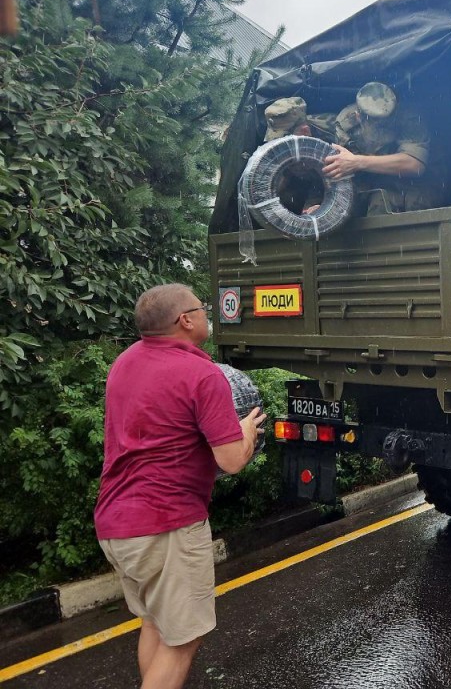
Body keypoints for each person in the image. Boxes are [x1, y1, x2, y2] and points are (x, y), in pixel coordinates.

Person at [94, 283, 265, 689]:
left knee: (155, 625)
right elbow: (231, 460)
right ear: (184, 320)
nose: (207, 313)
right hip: (166, 525)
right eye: (201, 308)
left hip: (116, 522)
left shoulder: (125, 362)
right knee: (184, 640)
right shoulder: (201, 374)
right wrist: (246, 431)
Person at [321, 81, 439, 214]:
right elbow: (338, 169)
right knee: (372, 207)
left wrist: (357, 162)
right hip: (373, 180)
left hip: (419, 181)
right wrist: (325, 206)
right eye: (375, 121)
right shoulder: (347, 124)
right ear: (359, 116)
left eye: (384, 121)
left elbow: (414, 165)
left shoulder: (409, 117)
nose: (380, 124)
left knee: (414, 207)